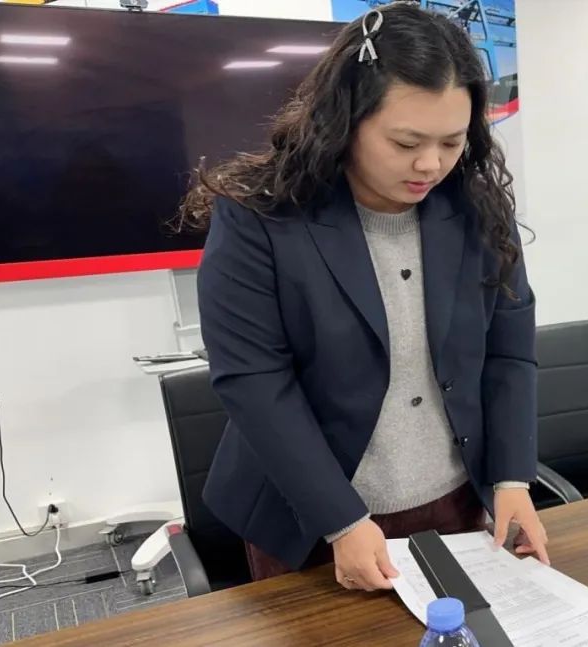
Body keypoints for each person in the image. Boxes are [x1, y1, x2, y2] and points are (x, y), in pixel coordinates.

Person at [179, 2, 548, 593]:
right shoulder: (260, 216)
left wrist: (511, 480)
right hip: (313, 517)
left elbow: (508, 353)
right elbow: (254, 381)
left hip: (455, 499)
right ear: (345, 119)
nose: (430, 164)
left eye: (451, 142)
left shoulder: (475, 206)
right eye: (405, 142)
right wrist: (342, 520)